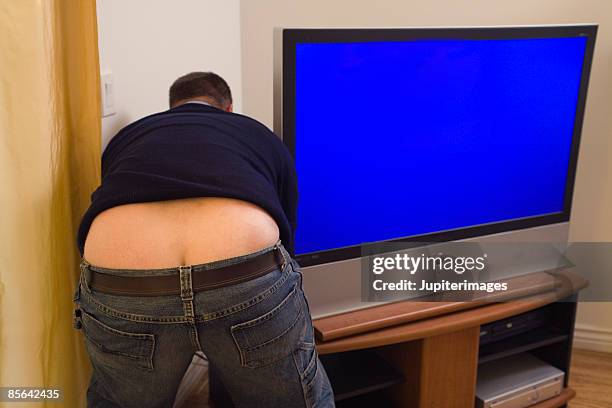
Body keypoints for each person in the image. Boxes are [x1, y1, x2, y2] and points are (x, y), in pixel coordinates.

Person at [72, 72, 335, 408]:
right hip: (244, 275)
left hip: (123, 285)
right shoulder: (253, 131)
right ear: (228, 109)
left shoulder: (131, 135)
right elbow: (287, 229)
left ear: (171, 109)